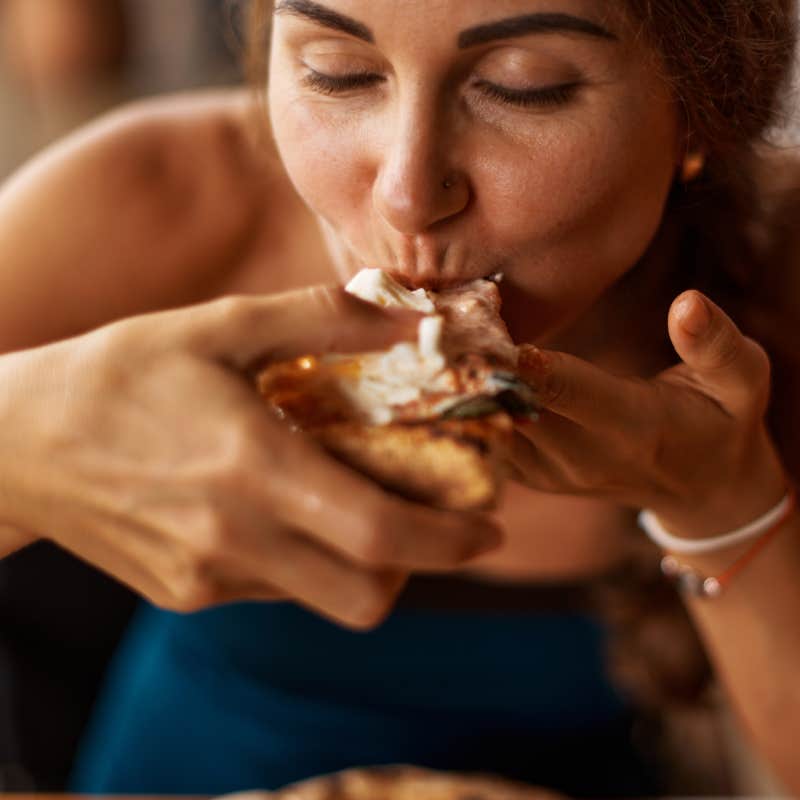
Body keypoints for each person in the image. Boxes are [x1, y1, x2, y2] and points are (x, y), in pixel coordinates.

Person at [0, 0, 799, 795]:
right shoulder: (159, 206)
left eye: (525, 87)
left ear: (700, 115)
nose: (406, 195)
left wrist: (727, 500)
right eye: (337, 73)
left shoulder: (781, 274)